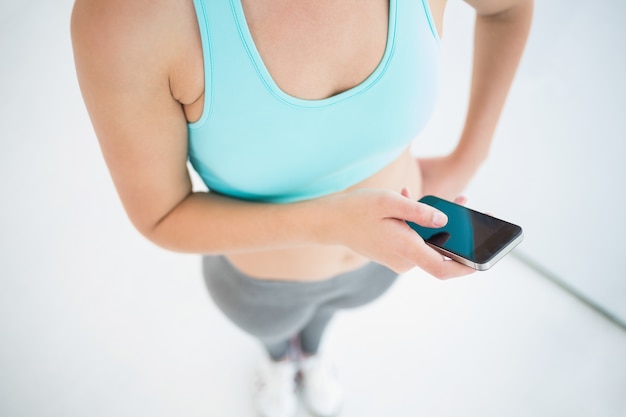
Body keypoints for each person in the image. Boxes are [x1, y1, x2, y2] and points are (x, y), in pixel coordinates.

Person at [71, 0, 533, 416]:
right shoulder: (130, 17)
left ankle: (312, 355)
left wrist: (470, 157)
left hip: (380, 266)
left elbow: (506, 9)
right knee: (274, 335)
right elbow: (162, 215)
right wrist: (335, 223)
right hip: (259, 285)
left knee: (324, 323)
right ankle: (276, 362)